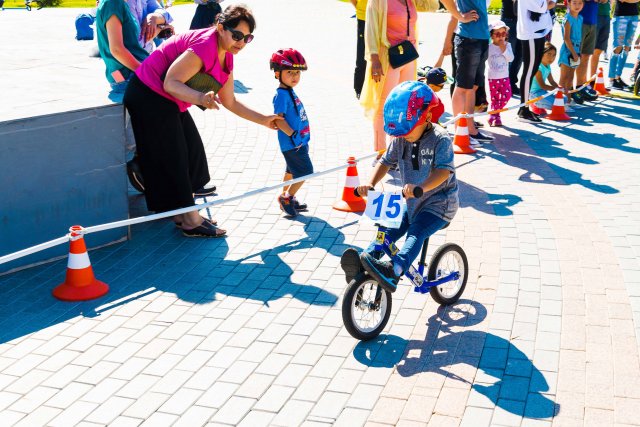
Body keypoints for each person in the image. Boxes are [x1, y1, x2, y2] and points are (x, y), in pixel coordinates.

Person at [123, 5, 282, 238]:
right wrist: (199, 98)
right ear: (220, 28)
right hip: (148, 94)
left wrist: (265, 120)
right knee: (175, 155)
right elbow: (170, 82)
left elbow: (230, 102)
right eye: (236, 35)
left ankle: (179, 213)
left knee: (192, 151)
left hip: (167, 99)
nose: (241, 42)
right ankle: (189, 220)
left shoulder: (227, 55)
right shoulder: (204, 46)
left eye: (247, 38)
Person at [341, 81, 458, 292]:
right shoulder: (401, 138)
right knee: (388, 230)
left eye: (409, 130)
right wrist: (370, 183)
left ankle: (394, 270)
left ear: (428, 117)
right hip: (412, 201)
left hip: (440, 204)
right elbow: (385, 161)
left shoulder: (441, 140)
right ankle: (366, 259)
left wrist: (420, 186)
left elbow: (444, 172)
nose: (403, 136)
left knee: (416, 232)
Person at [360, 0, 439, 154]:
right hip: (387, 57)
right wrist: (374, 57)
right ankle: (381, 152)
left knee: (405, 105)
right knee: (384, 106)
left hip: (408, 57)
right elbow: (371, 29)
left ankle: (397, 150)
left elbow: (433, 6)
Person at [441, 0, 494, 142]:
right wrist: (461, 17)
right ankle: (460, 131)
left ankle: (470, 129)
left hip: (482, 38)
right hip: (468, 39)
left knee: (473, 87)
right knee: (463, 87)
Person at [270, 49, 314, 218]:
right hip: (293, 143)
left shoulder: (288, 90)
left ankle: (288, 197)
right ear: (277, 73)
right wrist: (294, 135)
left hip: (298, 141)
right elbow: (278, 120)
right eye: (290, 72)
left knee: (291, 171)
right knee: (305, 171)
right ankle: (286, 197)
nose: (295, 76)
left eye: (297, 72)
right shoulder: (281, 95)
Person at [516, 0, 556, 123]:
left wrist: (549, 4)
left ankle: (526, 108)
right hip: (530, 33)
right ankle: (523, 109)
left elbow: (551, 3)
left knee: (532, 70)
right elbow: (542, 6)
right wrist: (548, 4)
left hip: (540, 30)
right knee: (529, 71)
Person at [529, 42, 575, 112]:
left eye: (554, 55)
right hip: (534, 93)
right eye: (549, 54)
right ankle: (534, 103)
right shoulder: (538, 68)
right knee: (556, 103)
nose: (551, 58)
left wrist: (560, 88)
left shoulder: (548, 66)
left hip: (542, 92)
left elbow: (552, 81)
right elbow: (543, 86)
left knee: (564, 99)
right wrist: (556, 89)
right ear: (541, 54)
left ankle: (540, 104)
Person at [487, 20, 514, 127]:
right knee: (495, 99)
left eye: (503, 34)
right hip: (492, 78)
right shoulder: (489, 47)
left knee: (507, 96)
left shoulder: (508, 45)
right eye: (497, 34)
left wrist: (504, 50)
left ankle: (494, 113)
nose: (501, 37)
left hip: (504, 77)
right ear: (492, 36)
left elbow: (511, 58)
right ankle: (496, 117)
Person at [608, 0, 640, 89]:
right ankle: (611, 79)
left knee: (627, 48)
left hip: (634, 16)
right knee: (617, 47)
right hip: (620, 16)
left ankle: (618, 77)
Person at [574, 0, 600, 101]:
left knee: (585, 57)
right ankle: (574, 89)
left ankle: (581, 87)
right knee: (575, 57)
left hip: (592, 21)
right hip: (580, 21)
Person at [559, 0, 584, 104]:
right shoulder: (568, 19)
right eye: (574, 3)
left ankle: (568, 101)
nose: (577, 6)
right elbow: (566, 38)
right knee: (564, 77)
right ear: (568, 3)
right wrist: (573, 53)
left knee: (571, 77)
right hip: (567, 51)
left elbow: (580, 37)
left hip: (576, 50)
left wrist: (579, 52)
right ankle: (560, 102)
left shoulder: (580, 18)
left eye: (580, 3)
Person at [501, 0, 523, 94]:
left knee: (520, 55)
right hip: (508, 20)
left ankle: (512, 83)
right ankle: (503, 83)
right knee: (508, 54)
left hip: (523, 21)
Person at [350, 0, 369, 99]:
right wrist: (360, 8)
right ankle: (359, 88)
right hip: (364, 16)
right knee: (362, 53)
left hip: (383, 16)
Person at [591, 0, 612, 88]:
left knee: (598, 50)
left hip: (606, 15)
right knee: (586, 52)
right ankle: (581, 83)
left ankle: (592, 81)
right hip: (594, 14)